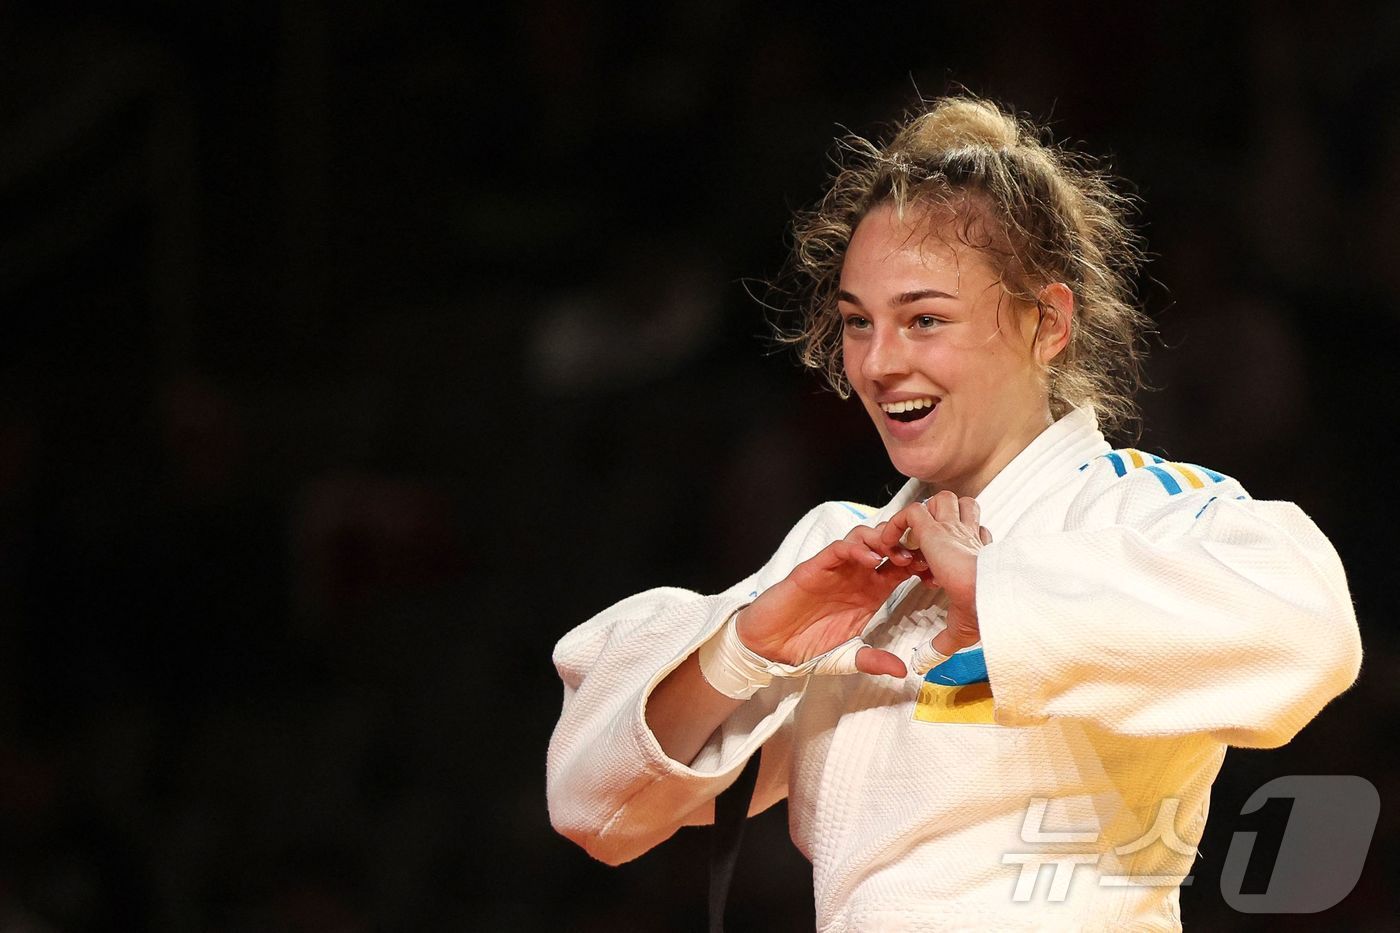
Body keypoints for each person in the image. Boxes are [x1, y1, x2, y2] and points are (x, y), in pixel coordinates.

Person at [545, 95, 1362, 931]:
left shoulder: (1135, 509)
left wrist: (1000, 589)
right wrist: (751, 645)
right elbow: (593, 803)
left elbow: (1313, 630)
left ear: (1047, 323)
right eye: (858, 323)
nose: (878, 362)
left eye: (924, 319)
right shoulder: (838, 549)